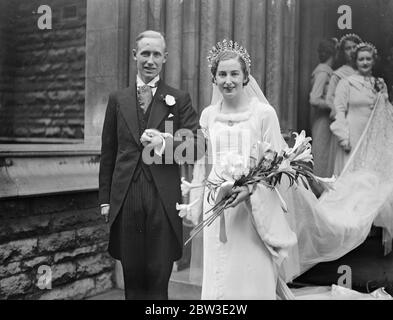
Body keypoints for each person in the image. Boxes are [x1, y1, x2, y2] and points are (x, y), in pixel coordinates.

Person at [183, 40, 297, 300]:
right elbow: (203, 161)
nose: (228, 80)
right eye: (222, 74)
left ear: (246, 77)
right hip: (217, 201)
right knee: (221, 271)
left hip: (253, 207)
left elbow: (278, 165)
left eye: (235, 73)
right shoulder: (208, 115)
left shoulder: (264, 114)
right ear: (214, 78)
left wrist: (249, 190)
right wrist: (195, 203)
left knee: (252, 270)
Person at [99, 30, 203, 300]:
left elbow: (198, 147)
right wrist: (105, 200)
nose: (150, 60)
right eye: (145, 53)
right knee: (132, 279)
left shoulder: (178, 99)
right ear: (135, 55)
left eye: (157, 54)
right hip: (126, 198)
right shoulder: (117, 99)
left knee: (158, 280)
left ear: (165, 58)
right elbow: (109, 152)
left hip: (163, 200)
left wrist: (164, 144)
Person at [330, 42, 388, 174]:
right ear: (355, 61)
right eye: (361, 59)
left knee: (370, 172)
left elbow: (385, 112)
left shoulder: (379, 83)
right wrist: (343, 137)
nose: (365, 63)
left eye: (368, 59)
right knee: (352, 171)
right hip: (352, 134)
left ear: (374, 61)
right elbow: (339, 111)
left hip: (373, 135)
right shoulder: (346, 83)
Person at [309, 38, 337, 178]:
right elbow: (314, 98)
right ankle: (319, 192)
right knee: (321, 155)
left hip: (327, 121)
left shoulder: (327, 71)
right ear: (335, 53)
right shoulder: (323, 72)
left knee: (326, 156)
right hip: (323, 120)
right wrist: (332, 106)